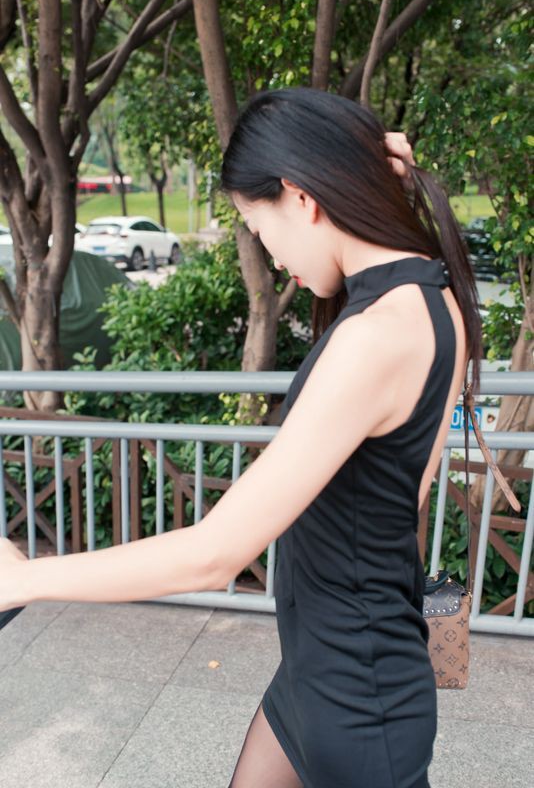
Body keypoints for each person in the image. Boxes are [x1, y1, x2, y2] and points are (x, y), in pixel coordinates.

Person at [0, 88, 481, 788]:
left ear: (301, 198)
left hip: (360, 700)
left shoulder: (379, 334)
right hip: (320, 670)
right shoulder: (427, 297)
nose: (269, 253)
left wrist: (25, 578)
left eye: (257, 225)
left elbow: (214, 553)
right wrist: (366, 166)